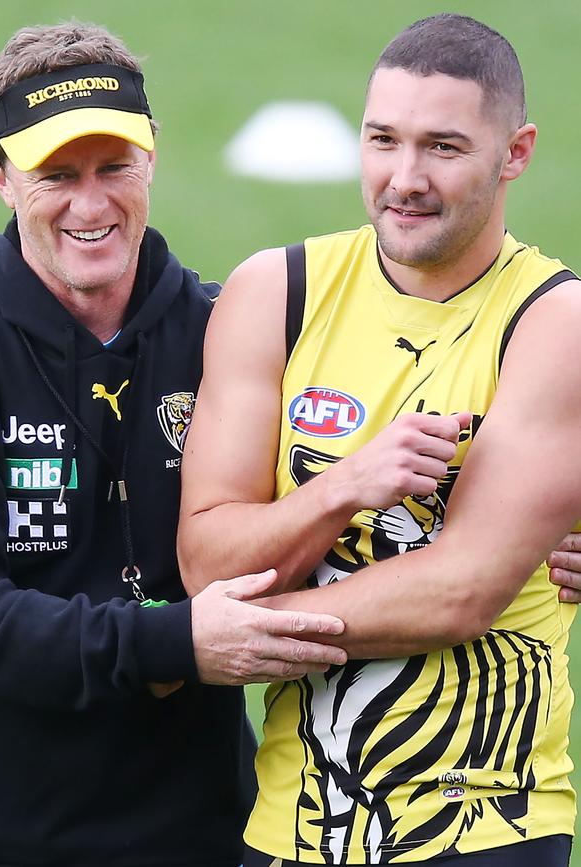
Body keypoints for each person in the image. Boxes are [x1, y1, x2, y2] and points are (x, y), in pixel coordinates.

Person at [0, 22, 357, 867]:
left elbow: (355, 498)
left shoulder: (231, 336)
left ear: (152, 154)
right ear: (2, 179)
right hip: (1, 844)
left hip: (209, 836)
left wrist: (527, 535)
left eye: (113, 167)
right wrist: (174, 643)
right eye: (56, 175)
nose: (91, 206)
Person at [178, 14, 581, 866]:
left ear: (516, 152)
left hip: (484, 826)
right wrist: (339, 487)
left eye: (443, 146)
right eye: (382, 140)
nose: (405, 179)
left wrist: (226, 635)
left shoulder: (554, 323)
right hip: (291, 824)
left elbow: (458, 593)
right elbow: (207, 561)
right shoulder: (274, 292)